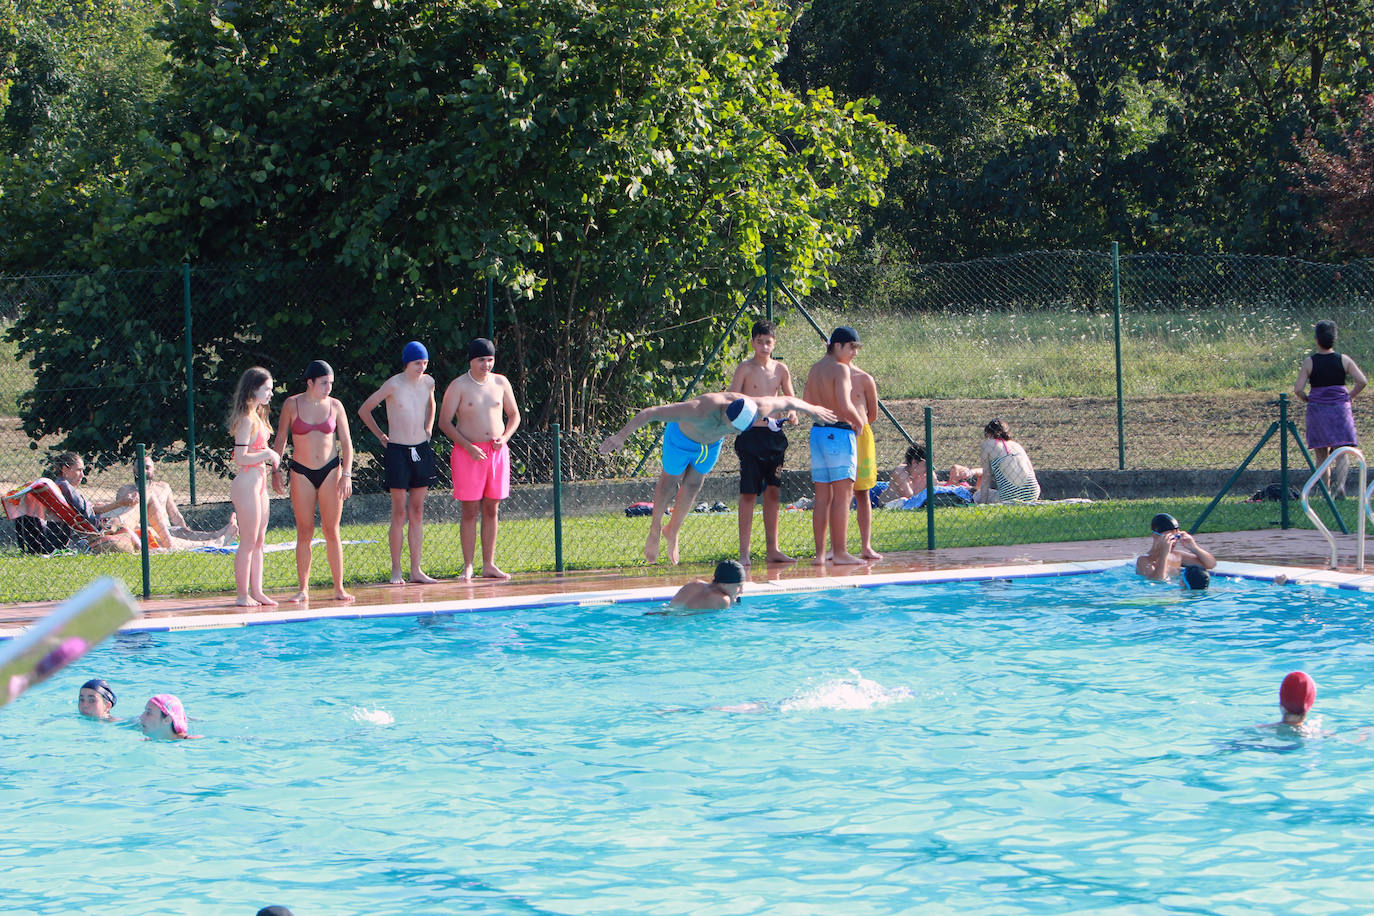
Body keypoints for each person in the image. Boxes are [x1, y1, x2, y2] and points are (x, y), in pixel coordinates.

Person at [599, 391, 838, 564]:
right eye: (732, 428)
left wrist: (812, 409)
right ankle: (654, 530)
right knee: (668, 482)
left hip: (710, 446)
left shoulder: (757, 406)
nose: (734, 433)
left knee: (693, 486)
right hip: (680, 440)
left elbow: (788, 400)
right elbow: (650, 413)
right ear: (724, 413)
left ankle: (673, 531)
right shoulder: (699, 408)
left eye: (737, 431)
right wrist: (620, 437)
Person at [270, 360, 356, 603]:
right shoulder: (292, 404)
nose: (328, 387)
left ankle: (338, 588)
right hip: (301, 471)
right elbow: (281, 439)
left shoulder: (336, 406)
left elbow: (347, 444)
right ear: (310, 382)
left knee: (331, 529)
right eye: (323, 383)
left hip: (331, 470)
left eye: (330, 383)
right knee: (305, 530)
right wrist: (275, 471)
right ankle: (303, 588)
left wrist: (346, 474)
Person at [438, 338, 521, 581]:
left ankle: (489, 564)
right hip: (468, 454)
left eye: (490, 360)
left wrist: (505, 437)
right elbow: (444, 422)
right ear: (471, 361)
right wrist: (468, 446)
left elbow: (514, 415)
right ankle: (468, 565)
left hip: (496, 453)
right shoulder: (459, 386)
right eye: (481, 360)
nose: (486, 365)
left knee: (492, 509)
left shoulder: (501, 382)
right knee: (470, 510)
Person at [359, 341, 439, 585]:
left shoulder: (429, 382)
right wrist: (381, 436)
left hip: (421, 449)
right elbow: (365, 410)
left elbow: (432, 403)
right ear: (407, 362)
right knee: (399, 510)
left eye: (425, 363)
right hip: (398, 451)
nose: (421, 367)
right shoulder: (393, 384)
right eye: (417, 363)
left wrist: (428, 428)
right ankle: (397, 570)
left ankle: (416, 569)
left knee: (417, 511)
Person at [727, 320, 798, 566]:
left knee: (773, 492)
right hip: (751, 436)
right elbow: (732, 398)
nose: (764, 346)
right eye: (760, 342)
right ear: (752, 343)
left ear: (774, 343)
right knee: (748, 493)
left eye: (768, 342)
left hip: (774, 436)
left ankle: (773, 549)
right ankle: (744, 553)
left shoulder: (781, 369)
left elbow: (790, 399)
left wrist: (792, 414)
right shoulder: (745, 368)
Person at [804, 327, 869, 566]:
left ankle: (820, 555)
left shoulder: (815, 368)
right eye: (851, 347)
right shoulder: (840, 369)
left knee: (822, 497)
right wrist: (858, 420)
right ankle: (840, 552)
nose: (854, 353)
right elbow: (844, 403)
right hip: (839, 434)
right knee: (843, 496)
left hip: (818, 433)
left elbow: (807, 402)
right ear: (838, 345)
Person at [1293, 319, 1367, 497]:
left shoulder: (1309, 362)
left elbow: (1298, 389)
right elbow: (1362, 381)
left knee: (1321, 452)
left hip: (1318, 410)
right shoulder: (1344, 360)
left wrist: (1307, 399)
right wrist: (1349, 396)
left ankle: (1324, 490)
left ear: (1317, 339)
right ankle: (1340, 486)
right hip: (1340, 409)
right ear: (1334, 339)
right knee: (1342, 451)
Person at [229, 367, 282, 607]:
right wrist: (268, 453)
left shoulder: (259, 417)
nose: (271, 394)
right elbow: (240, 457)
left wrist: (266, 456)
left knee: (259, 540)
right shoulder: (247, 420)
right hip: (247, 482)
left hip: (258, 482)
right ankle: (242, 594)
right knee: (248, 540)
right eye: (267, 389)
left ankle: (257, 591)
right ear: (254, 390)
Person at [110, 457, 238, 551]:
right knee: (157, 535)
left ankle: (220, 534)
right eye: (140, 468)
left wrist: (185, 529)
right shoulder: (125, 491)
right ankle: (216, 541)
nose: (144, 471)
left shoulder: (163, 487)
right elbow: (125, 516)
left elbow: (174, 514)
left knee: (185, 532)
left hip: (168, 528)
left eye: (147, 467)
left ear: (154, 469)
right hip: (148, 530)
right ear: (134, 469)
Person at [45, 452, 139, 553]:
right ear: (65, 470)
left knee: (124, 523)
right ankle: (142, 549)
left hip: (80, 529)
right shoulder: (66, 488)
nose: (82, 475)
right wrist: (120, 503)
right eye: (79, 470)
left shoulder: (59, 485)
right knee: (123, 518)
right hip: (86, 533)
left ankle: (141, 547)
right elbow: (89, 518)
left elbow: (84, 510)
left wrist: (94, 507)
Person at [849, 357, 883, 560]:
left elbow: (873, 414)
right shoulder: (829, 376)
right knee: (838, 494)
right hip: (838, 436)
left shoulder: (864, 379)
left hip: (861, 437)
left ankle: (866, 546)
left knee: (862, 493)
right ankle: (836, 547)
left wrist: (858, 424)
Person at [1135, 512, 1217, 581]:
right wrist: (1164, 554)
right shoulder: (1144, 560)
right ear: (1155, 536)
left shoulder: (1177, 556)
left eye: (1176, 537)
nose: (1174, 541)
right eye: (1170, 538)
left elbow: (1211, 564)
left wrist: (1194, 547)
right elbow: (1157, 580)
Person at [975, 418, 1041, 504]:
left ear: (989, 433)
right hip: (1032, 493)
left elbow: (986, 476)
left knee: (977, 495)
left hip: (1009, 496)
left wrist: (982, 503)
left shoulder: (988, 445)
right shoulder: (1016, 445)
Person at [669, 559, 746, 610]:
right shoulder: (723, 600)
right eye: (739, 586)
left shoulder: (695, 584)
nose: (741, 591)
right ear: (725, 584)